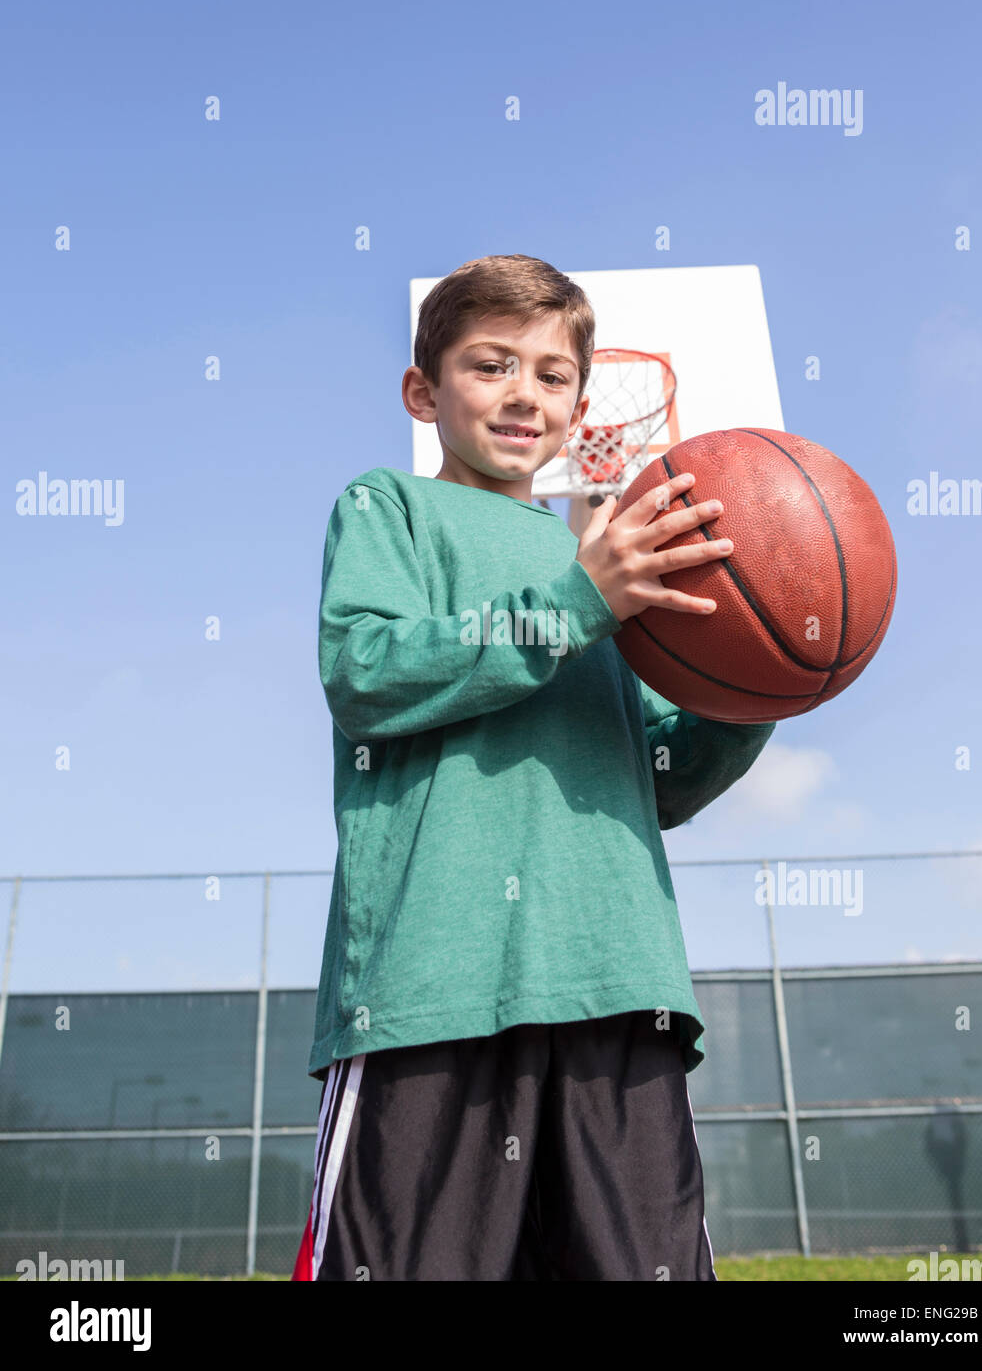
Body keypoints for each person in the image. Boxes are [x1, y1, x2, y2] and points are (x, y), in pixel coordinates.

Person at [291, 253, 776, 1281]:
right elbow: (361, 671)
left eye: (551, 375)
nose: (524, 394)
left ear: (582, 407)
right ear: (423, 391)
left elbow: (663, 776)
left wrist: (750, 696)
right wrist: (574, 602)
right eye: (489, 365)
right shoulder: (391, 510)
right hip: (433, 985)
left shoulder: (613, 572)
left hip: (615, 978)